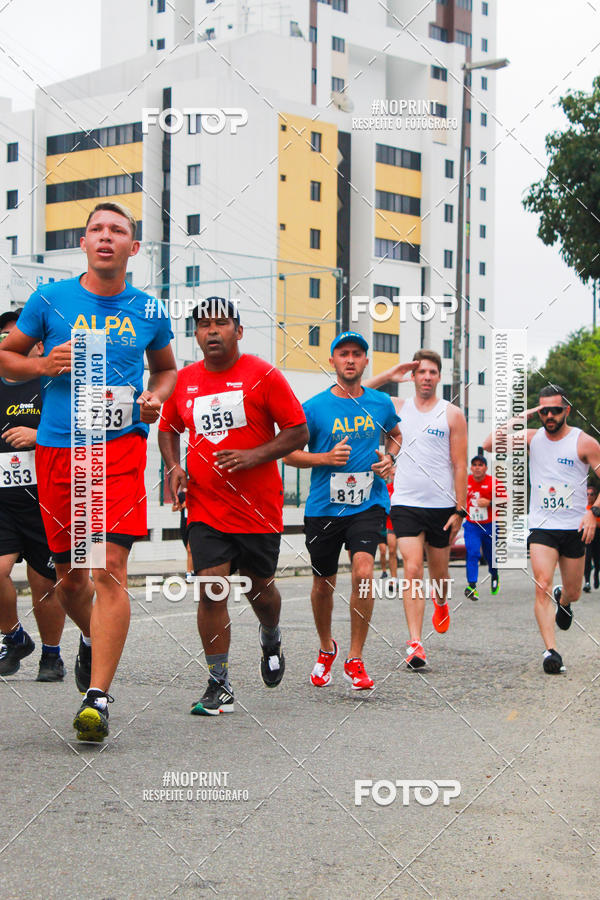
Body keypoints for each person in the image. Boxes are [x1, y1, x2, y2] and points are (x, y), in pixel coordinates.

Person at [0, 202, 177, 740]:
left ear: (133, 247)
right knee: (71, 581)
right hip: (58, 452)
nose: (106, 237)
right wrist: (40, 364)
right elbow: (7, 356)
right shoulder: (50, 298)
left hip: (119, 450)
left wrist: (154, 399)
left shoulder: (147, 310)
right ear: (83, 242)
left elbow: (167, 370)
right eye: (97, 229)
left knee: (107, 570)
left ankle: (97, 698)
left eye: (117, 231)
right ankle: (92, 641)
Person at [158, 298, 308, 716]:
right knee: (211, 587)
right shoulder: (185, 381)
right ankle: (218, 682)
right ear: (196, 335)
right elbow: (167, 429)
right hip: (206, 507)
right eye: (203, 324)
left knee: (261, 590)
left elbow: (298, 432)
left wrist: (253, 455)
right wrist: (173, 467)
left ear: (238, 331)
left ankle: (271, 634)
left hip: (258, 509)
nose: (212, 331)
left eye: (221, 323)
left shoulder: (264, 375)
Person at [283, 332, 404, 690]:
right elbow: (289, 454)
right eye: (343, 354)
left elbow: (395, 435)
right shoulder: (314, 407)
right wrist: (324, 458)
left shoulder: (381, 403)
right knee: (323, 584)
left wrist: (390, 458)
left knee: (363, 572)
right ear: (333, 361)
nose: (350, 360)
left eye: (357, 354)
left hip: (367, 503)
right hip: (324, 507)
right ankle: (326, 648)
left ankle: (355, 657)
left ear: (366, 362)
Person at [483, 384, 600, 674]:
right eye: (544, 410)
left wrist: (592, 513)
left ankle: (565, 600)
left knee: (573, 590)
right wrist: (522, 416)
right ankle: (551, 651)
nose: (549, 415)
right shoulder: (532, 438)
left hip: (574, 527)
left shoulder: (584, 442)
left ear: (567, 411)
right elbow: (488, 444)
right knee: (541, 584)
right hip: (541, 526)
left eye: (555, 410)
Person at [365, 351, 467, 670]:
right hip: (406, 502)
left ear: (438, 377)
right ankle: (415, 643)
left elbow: (460, 463)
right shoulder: (396, 407)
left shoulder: (452, 414)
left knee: (438, 574)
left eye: (432, 372)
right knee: (411, 569)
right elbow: (354, 395)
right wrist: (388, 375)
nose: (425, 377)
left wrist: (460, 510)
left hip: (441, 506)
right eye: (420, 371)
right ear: (412, 376)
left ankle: (440, 602)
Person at [0, 311, 66, 681]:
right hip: (3, 503)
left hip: (45, 500)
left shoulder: (51, 383)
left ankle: (52, 656)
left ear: (38, 346)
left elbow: (77, 430)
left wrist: (36, 436)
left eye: (18, 339)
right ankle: (14, 636)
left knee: (45, 585)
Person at [463, 454, 500, 601]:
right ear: (471, 467)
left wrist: (490, 503)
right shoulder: (465, 481)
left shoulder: (493, 482)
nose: (477, 468)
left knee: (490, 555)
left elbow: (506, 500)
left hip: (489, 525)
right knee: (472, 553)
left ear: (485, 467)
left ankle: (494, 574)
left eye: (480, 465)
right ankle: (472, 585)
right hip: (472, 525)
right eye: (475, 465)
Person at [583, 485, 600, 592]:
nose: (589, 496)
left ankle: (596, 576)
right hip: (587, 536)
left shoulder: (596, 508)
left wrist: (594, 523)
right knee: (587, 558)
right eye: (587, 494)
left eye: (591, 494)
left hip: (598, 536)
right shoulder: (583, 507)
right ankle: (587, 582)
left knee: (598, 560)